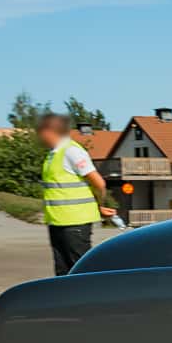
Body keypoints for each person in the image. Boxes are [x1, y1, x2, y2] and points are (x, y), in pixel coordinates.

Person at [36, 113, 116, 275]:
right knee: (62, 271)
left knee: (80, 269)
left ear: (50, 131)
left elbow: (98, 182)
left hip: (75, 222)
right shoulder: (53, 154)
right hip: (57, 221)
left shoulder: (71, 151)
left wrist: (100, 205)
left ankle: (93, 298)